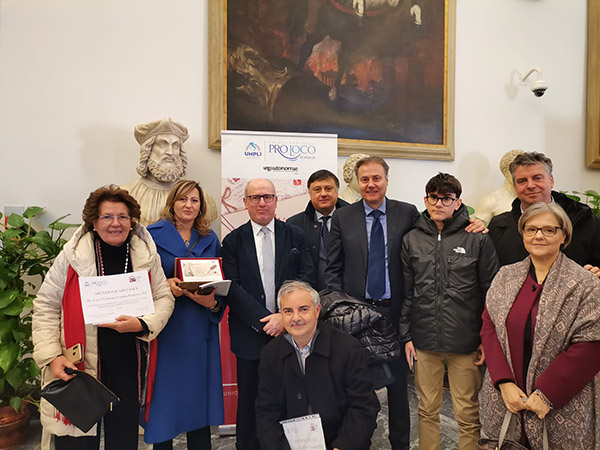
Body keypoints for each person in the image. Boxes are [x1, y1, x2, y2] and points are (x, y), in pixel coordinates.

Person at [325, 156, 486, 450]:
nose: (370, 184)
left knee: (399, 388)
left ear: (387, 180)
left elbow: (436, 232)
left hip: (395, 312)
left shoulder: (407, 212)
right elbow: (332, 269)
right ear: (357, 182)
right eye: (364, 179)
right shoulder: (343, 217)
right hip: (358, 316)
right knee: (356, 387)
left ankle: (400, 445)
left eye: (376, 178)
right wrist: (342, 310)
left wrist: (472, 223)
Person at [32, 185, 174, 450]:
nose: (115, 223)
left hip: (129, 364)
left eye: (122, 217)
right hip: (79, 365)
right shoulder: (72, 256)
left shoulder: (145, 254)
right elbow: (46, 306)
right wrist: (52, 356)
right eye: (107, 217)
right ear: (94, 222)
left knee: (124, 439)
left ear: (131, 221)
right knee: (77, 442)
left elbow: (164, 298)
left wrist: (143, 324)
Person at [480, 202, 600, 449]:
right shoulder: (505, 276)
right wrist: (503, 382)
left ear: (564, 235)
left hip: (561, 401)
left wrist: (548, 394)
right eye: (531, 229)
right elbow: (489, 326)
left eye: (549, 230)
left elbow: (591, 344)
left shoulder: (585, 284)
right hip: (508, 397)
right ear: (523, 234)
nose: (538, 236)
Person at [400, 173, 499, 450]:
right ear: (425, 200)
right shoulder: (411, 239)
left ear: (458, 202)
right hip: (424, 340)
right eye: (434, 198)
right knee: (426, 409)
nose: (439, 204)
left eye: (446, 198)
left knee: (467, 413)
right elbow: (407, 291)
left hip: (465, 341)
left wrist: (486, 338)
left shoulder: (477, 238)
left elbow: (491, 293)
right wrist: (406, 335)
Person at [221, 178, 315, 450]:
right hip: (249, 333)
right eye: (255, 197)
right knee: (250, 398)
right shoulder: (232, 241)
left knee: (291, 397)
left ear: (276, 200)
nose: (261, 202)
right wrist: (265, 320)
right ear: (245, 202)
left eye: (267, 197)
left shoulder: (295, 235)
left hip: (291, 332)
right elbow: (232, 288)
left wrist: (283, 318)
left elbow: (306, 277)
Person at [142, 180, 224, 449]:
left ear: (201, 206)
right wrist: (164, 285)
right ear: (172, 203)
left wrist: (212, 303)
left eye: (194, 200)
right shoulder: (151, 235)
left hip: (200, 329)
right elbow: (139, 280)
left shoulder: (210, 238)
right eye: (183, 199)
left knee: (198, 397)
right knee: (165, 399)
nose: (188, 205)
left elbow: (220, 284)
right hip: (167, 330)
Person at [256, 281, 380, 450]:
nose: (296, 318)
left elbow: (363, 407)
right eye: (288, 311)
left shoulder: (347, 348)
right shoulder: (270, 354)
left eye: (303, 309)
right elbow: (266, 413)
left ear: (317, 310)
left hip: (338, 443)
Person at [488, 151, 600, 275]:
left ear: (551, 180)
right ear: (515, 186)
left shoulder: (589, 223)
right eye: (522, 181)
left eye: (537, 178)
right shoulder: (498, 227)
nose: (530, 185)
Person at [122, 117, 217, 226]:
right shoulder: (126, 194)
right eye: (162, 144)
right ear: (148, 150)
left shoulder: (203, 198)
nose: (170, 152)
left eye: (175, 145)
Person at [288, 169, 349, 290]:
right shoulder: (294, 224)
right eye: (317, 189)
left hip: (349, 292)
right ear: (309, 193)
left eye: (328, 188)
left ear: (337, 191)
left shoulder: (354, 219)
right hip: (311, 293)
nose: (323, 194)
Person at [473, 149, 524, 223]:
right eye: (515, 171)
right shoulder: (490, 201)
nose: (521, 175)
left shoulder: (529, 198)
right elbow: (479, 228)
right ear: (505, 172)